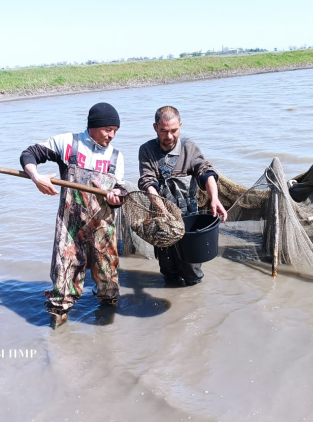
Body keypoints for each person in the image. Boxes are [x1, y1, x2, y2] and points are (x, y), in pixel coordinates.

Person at [20, 103, 125, 326]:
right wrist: (36, 177)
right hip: (70, 227)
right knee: (62, 282)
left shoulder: (116, 157)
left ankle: (108, 326)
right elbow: (29, 154)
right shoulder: (68, 143)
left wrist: (117, 196)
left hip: (103, 228)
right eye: (108, 129)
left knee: (109, 285)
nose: (112, 136)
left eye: (116, 131)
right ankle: (58, 324)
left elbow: (120, 190)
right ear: (93, 126)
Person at [138, 106, 227, 285]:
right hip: (162, 220)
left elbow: (206, 172)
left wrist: (214, 198)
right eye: (164, 131)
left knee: (192, 271)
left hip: (188, 221)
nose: (169, 136)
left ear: (180, 125)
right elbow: (148, 183)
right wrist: (164, 212)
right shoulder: (146, 150)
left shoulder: (189, 148)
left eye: (174, 130)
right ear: (155, 128)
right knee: (168, 270)